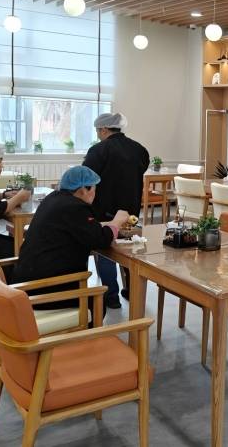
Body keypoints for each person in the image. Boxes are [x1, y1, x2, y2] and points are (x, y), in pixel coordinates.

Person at [12, 166, 129, 313]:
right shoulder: (76, 207)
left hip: (26, 283)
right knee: (97, 305)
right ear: (83, 190)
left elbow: (80, 227)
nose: (95, 193)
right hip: (44, 289)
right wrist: (117, 221)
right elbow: (101, 240)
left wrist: (107, 225)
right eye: (94, 189)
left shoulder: (53, 199)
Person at [83, 112, 149, 308]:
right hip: (131, 210)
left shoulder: (98, 150)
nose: (97, 135)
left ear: (104, 129)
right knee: (131, 248)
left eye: (98, 131)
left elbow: (87, 178)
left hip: (105, 210)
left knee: (106, 249)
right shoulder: (140, 149)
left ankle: (111, 296)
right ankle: (132, 291)